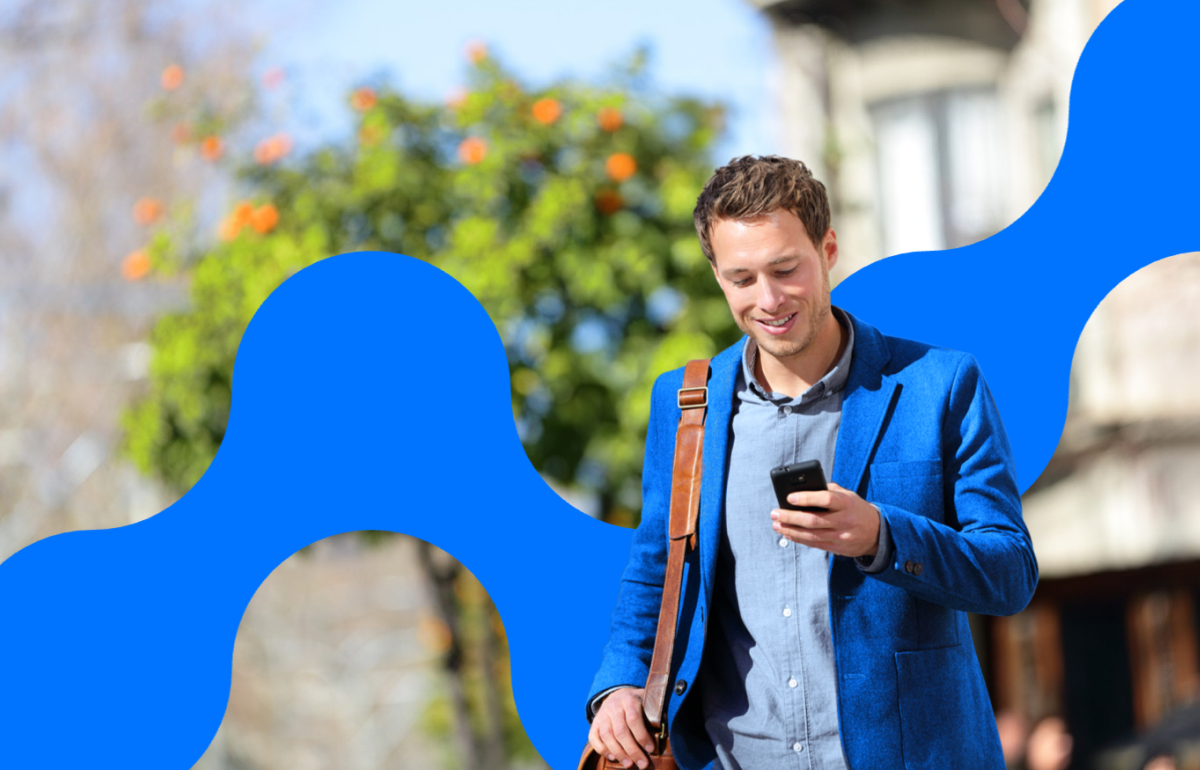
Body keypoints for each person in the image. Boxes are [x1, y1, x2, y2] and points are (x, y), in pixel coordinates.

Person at [585, 155, 1038, 770]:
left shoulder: (942, 384)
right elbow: (657, 567)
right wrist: (617, 686)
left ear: (827, 250)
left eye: (785, 269)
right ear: (717, 275)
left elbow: (1009, 573)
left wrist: (881, 535)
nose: (768, 300)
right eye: (741, 279)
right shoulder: (687, 403)